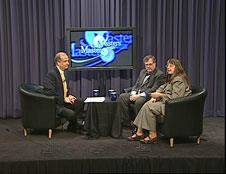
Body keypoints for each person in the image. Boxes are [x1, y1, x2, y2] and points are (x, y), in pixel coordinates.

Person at [127, 58, 192, 143]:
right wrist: (155, 96)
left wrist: (160, 95)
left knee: (149, 107)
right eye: (167, 66)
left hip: (175, 106)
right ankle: (140, 132)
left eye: (171, 66)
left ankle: (152, 135)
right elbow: (162, 88)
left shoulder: (178, 79)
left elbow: (176, 97)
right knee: (146, 104)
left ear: (177, 68)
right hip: (168, 103)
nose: (168, 68)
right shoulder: (172, 78)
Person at [111, 55, 165, 138]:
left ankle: (138, 126)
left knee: (138, 101)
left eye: (150, 64)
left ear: (155, 64)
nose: (148, 66)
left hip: (147, 95)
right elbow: (137, 85)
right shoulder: (143, 72)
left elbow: (154, 89)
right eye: (146, 64)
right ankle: (128, 121)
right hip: (137, 93)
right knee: (122, 97)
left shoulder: (160, 74)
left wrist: (138, 95)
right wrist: (133, 94)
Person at [43, 52, 85, 132]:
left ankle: (72, 127)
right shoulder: (51, 74)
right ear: (58, 62)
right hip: (56, 105)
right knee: (71, 114)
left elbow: (65, 88)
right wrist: (63, 98)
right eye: (65, 61)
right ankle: (76, 126)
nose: (68, 63)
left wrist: (69, 96)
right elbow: (49, 92)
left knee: (80, 102)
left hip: (63, 101)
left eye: (68, 61)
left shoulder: (63, 72)